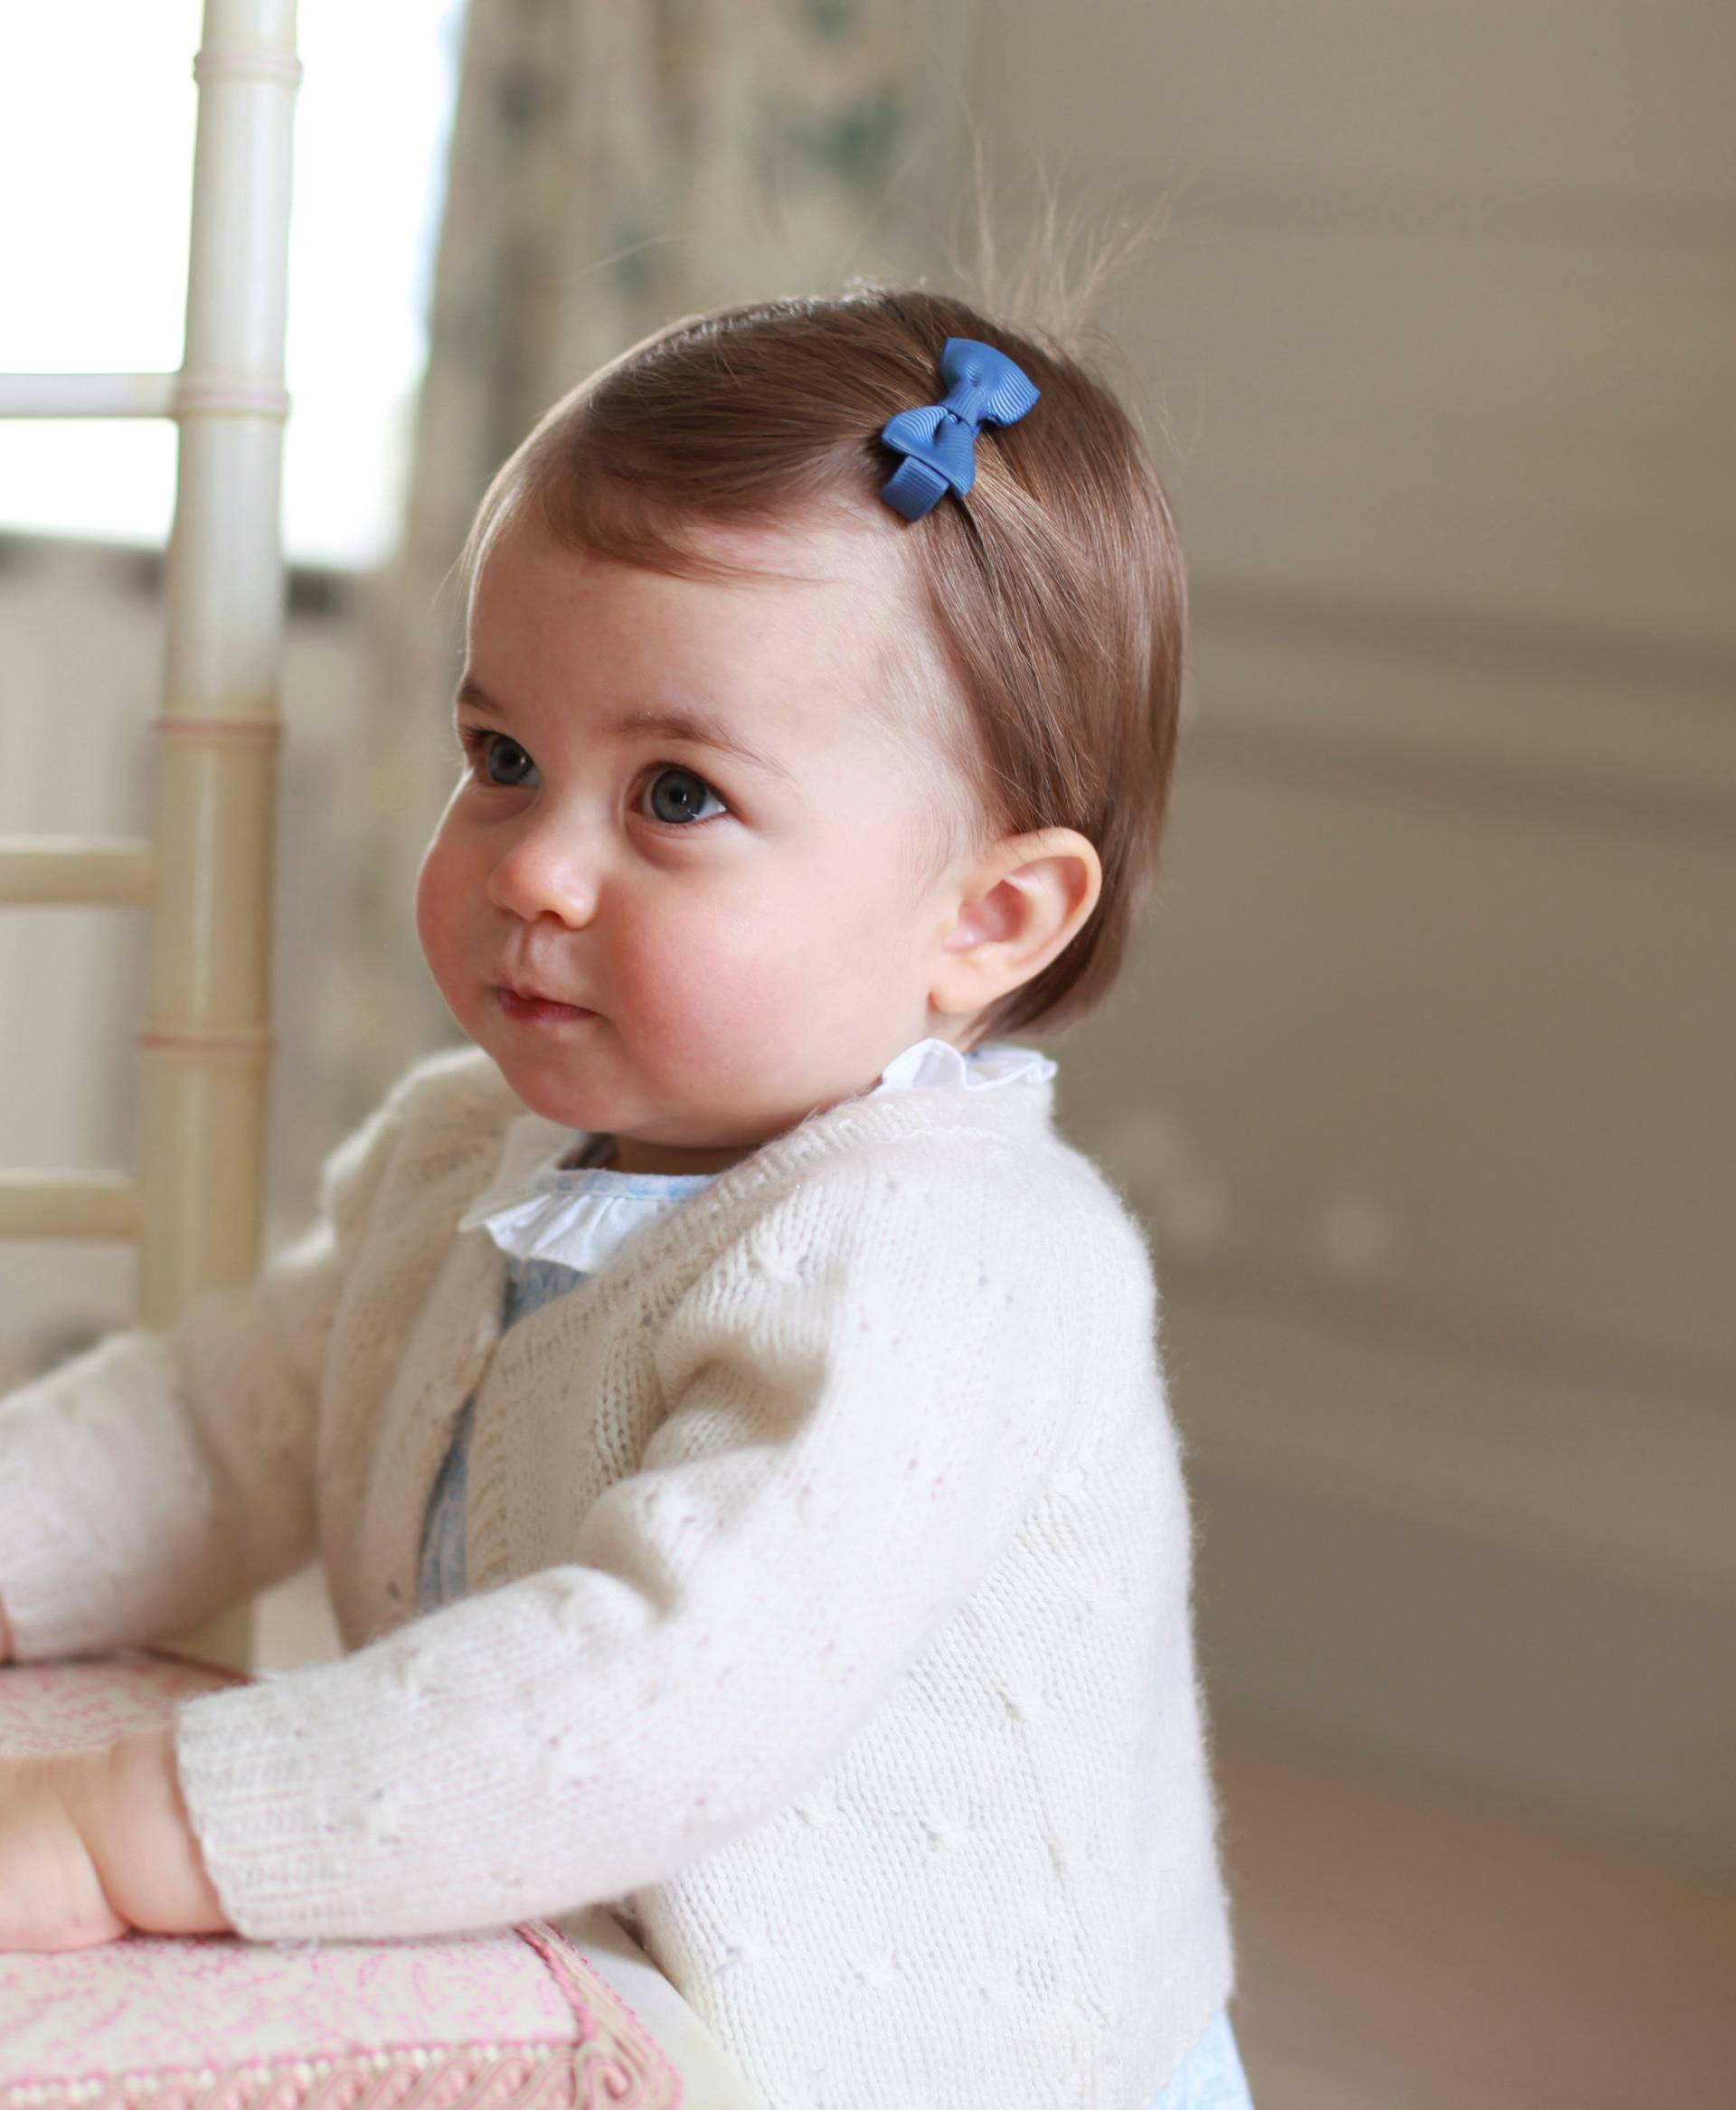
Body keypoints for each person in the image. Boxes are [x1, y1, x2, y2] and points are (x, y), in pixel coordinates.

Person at [0, 282, 1251, 2109]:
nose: (537, 870)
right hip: (584, 1995)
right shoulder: (460, 1156)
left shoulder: (956, 1260)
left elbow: (649, 1692)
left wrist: (130, 1831)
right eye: (500, 759)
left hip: (937, 2067)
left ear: (984, 919)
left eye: (674, 793)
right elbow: (212, 1430)